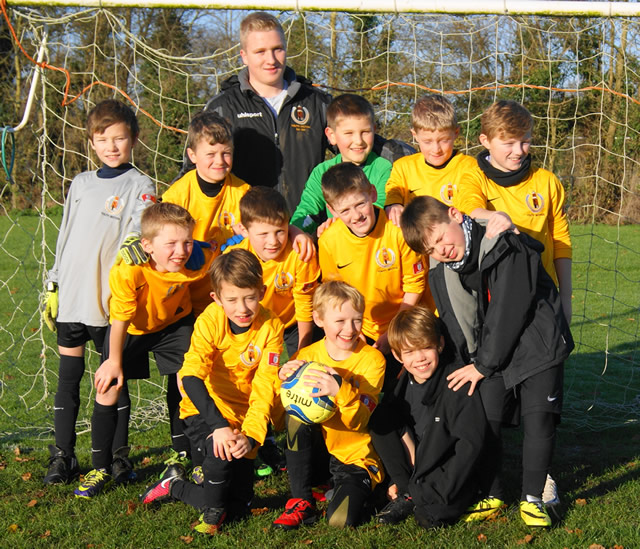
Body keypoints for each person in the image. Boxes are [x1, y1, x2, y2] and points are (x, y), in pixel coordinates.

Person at [400, 196, 574, 528]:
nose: (442, 249)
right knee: (486, 418)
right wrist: (459, 364)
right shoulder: (442, 269)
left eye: (441, 238)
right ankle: (493, 493)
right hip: (493, 351)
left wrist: (482, 365)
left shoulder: (503, 240)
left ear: (454, 215)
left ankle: (533, 498)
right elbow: (454, 321)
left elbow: (509, 309)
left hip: (539, 342)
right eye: (432, 249)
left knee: (539, 420)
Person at [42, 99, 156, 485]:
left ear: (134, 140)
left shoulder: (140, 185)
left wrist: (136, 246)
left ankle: (117, 458)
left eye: (119, 138)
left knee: (112, 379)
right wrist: (54, 281)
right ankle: (63, 456)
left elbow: (141, 232)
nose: (111, 146)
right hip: (73, 297)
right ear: (91, 142)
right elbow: (66, 233)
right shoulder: (80, 184)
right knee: (68, 379)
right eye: (102, 138)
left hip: (110, 302)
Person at [73, 202, 213, 498]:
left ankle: (191, 457)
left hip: (175, 324)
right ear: (146, 245)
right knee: (108, 384)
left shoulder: (198, 257)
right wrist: (113, 360)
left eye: (186, 241)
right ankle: (100, 467)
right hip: (132, 328)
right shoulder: (130, 269)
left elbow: (227, 246)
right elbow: (120, 318)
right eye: (171, 244)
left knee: (190, 382)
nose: (181, 250)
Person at [140, 249, 284, 536]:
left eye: (250, 298)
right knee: (220, 463)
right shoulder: (209, 320)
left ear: (262, 292)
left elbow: (265, 386)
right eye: (231, 299)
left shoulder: (272, 326)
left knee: (240, 509)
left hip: (244, 418)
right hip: (203, 411)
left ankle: (175, 486)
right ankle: (209, 508)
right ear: (216, 298)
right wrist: (219, 427)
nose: (242, 308)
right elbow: (191, 376)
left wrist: (252, 436)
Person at [183, 11, 331, 212]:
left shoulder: (317, 103)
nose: (271, 60)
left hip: (306, 233)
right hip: (244, 234)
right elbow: (191, 173)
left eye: (277, 49)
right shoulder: (222, 107)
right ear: (244, 56)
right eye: (260, 52)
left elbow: (362, 146)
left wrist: (389, 197)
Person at [272, 281, 386, 529]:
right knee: (295, 417)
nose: (350, 329)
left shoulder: (372, 360)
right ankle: (302, 501)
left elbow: (360, 422)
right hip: (317, 453)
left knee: (338, 521)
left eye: (357, 320)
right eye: (340, 321)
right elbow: (279, 423)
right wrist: (280, 380)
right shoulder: (305, 357)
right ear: (319, 319)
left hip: (353, 456)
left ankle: (371, 490)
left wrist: (340, 388)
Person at [456, 99, 572, 325]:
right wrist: (496, 216)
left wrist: (566, 298)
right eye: (509, 143)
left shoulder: (546, 182)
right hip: (495, 295)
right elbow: (470, 210)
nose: (519, 151)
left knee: (548, 358)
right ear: (485, 141)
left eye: (525, 141)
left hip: (542, 292)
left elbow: (561, 239)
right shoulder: (474, 178)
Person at [370, 306, 488, 528]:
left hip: (446, 469)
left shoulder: (456, 384)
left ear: (440, 345)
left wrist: (444, 489)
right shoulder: (401, 385)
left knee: (431, 517)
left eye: (426, 347)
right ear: (397, 355)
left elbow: (469, 447)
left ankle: (417, 494)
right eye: (410, 352)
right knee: (381, 417)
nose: (420, 358)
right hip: (419, 463)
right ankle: (406, 490)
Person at [317, 162, 425, 390]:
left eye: (360, 204)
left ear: (373, 194)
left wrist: (392, 333)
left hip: (404, 322)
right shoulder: (328, 240)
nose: (356, 215)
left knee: (403, 396)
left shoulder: (398, 230)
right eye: (345, 210)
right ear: (332, 210)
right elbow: (335, 295)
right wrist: (352, 330)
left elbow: (414, 286)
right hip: (359, 328)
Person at [228, 186, 320, 357]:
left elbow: (304, 305)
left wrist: (303, 351)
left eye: (280, 231)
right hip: (255, 323)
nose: (273, 241)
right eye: (263, 234)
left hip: (293, 324)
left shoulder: (300, 254)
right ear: (244, 230)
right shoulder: (235, 257)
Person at [290, 93, 392, 236]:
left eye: (365, 132)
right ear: (331, 136)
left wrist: (341, 223)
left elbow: (380, 207)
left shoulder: (383, 168)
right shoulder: (322, 172)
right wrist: (296, 232)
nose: (358, 141)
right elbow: (308, 212)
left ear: (374, 130)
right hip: (337, 249)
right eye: (349, 133)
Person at [384, 94, 476, 227]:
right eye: (427, 141)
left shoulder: (468, 166)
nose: (436, 149)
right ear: (415, 136)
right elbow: (394, 189)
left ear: (456, 133)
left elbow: (471, 202)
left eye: (444, 140)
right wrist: (394, 204)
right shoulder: (403, 167)